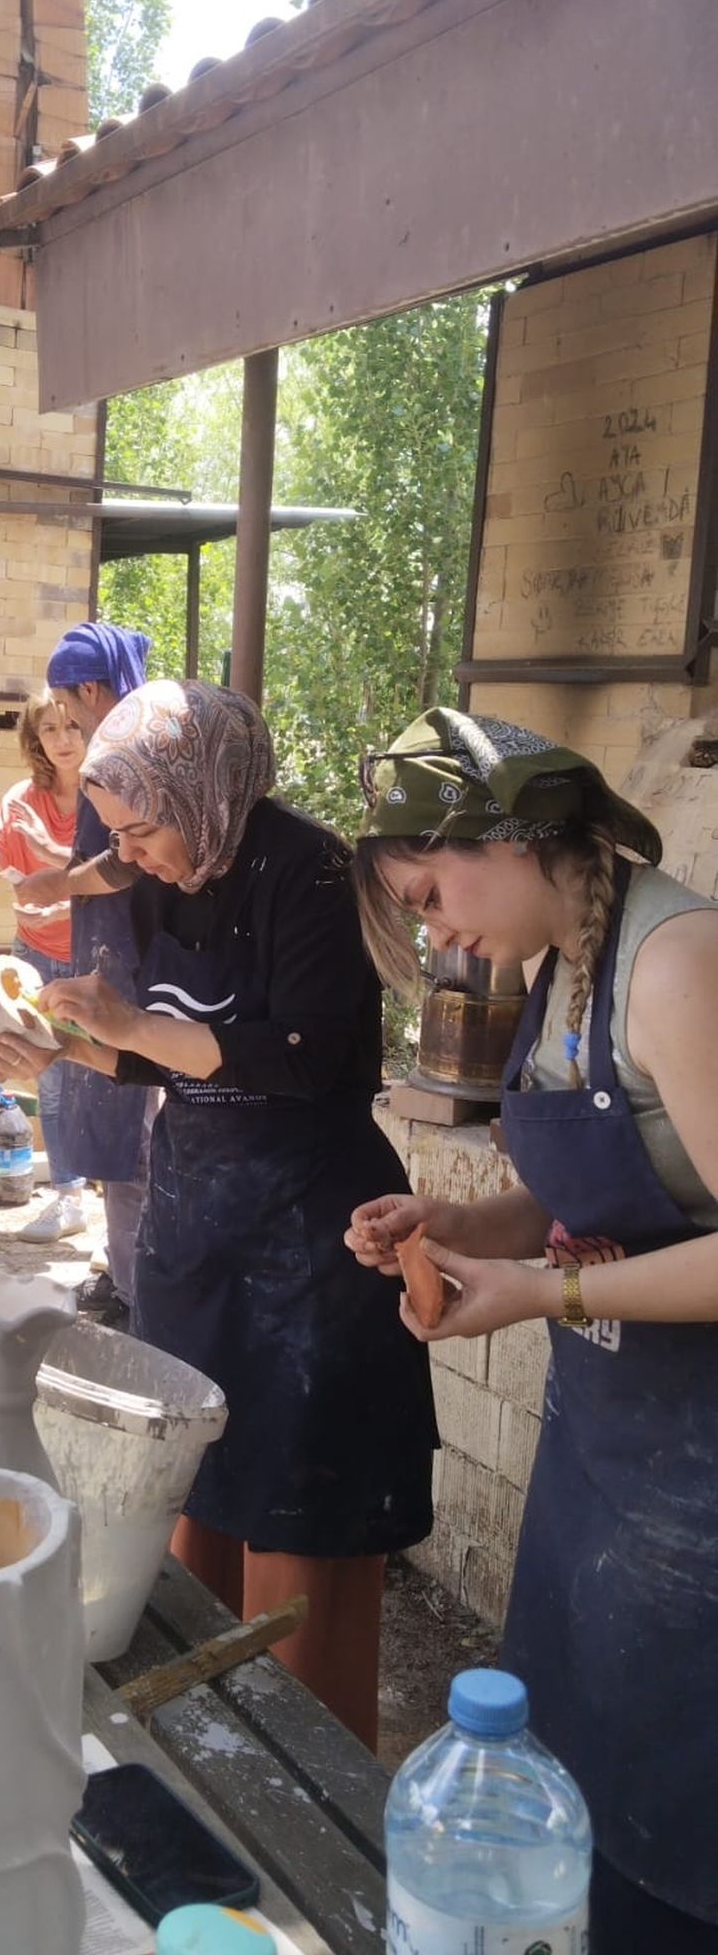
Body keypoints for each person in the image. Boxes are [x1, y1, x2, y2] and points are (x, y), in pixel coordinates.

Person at [0, 680, 437, 1745]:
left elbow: (301, 1057)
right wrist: (57, 1047)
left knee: (298, 1527)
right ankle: (208, 1764)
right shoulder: (157, 878)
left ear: (203, 791)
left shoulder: (309, 872)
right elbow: (161, 1058)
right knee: (190, 1498)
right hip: (196, 1228)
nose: (128, 854)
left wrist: (129, 1024)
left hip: (311, 1245)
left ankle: (313, 1784)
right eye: (116, 834)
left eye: (142, 828)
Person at [347, 706, 718, 1951]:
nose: (435, 930)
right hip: (602, 1460)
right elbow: (587, 1198)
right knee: (572, 1775)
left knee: (680, 1821)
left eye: (431, 892)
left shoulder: (674, 963)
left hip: (701, 1474)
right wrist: (457, 1226)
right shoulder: (559, 964)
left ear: (513, 838)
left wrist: (547, 1294)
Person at [14, 620, 157, 1326]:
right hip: (121, 959)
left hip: (129, 967)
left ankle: (137, 1293)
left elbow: (125, 864)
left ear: (91, 690)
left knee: (131, 1140)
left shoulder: (124, 752)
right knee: (121, 1137)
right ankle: (129, 1275)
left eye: (69, 708)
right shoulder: (133, 742)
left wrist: (58, 884)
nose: (67, 723)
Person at [0, 689, 88, 1241]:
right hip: (33, 955)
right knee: (51, 1076)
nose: (63, 740)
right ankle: (69, 1197)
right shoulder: (21, 799)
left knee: (115, 1075)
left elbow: (112, 870)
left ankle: (125, 1191)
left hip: (95, 956)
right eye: (49, 730)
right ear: (35, 740)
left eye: (73, 727)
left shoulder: (107, 795)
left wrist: (49, 856)